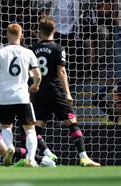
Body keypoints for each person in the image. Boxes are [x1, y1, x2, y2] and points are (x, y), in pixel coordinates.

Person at [30, 17, 100, 167]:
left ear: (39, 32)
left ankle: (44, 155)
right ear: (54, 31)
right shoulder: (58, 48)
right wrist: (67, 93)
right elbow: (61, 71)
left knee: (36, 129)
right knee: (71, 122)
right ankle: (83, 157)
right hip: (55, 92)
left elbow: (30, 72)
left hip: (39, 93)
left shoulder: (32, 49)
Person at [0, 23, 41, 167]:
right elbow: (37, 74)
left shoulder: (0, 52)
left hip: (5, 97)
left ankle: (10, 147)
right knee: (30, 129)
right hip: (22, 96)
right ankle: (30, 158)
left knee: (6, 126)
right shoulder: (28, 52)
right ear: (21, 35)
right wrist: (35, 85)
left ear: (7, 35)